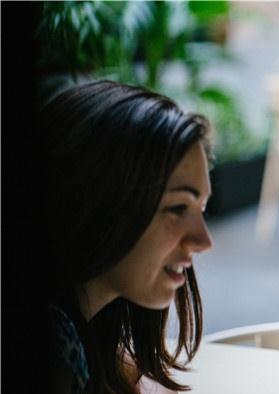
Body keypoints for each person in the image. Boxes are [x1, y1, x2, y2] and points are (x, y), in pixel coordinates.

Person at [39, 80, 214, 393]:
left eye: (201, 208)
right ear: (102, 201)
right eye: (177, 208)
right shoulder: (50, 352)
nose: (204, 241)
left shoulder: (90, 339)